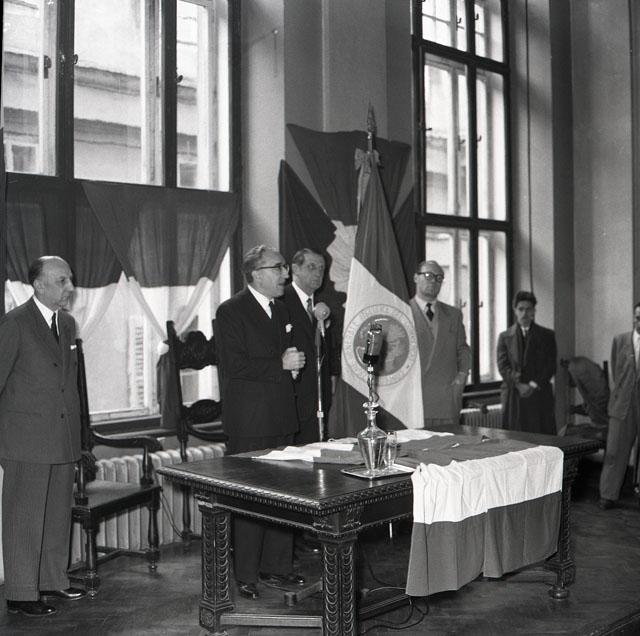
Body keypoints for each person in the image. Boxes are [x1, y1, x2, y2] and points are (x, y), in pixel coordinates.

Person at [215, 245, 306, 600]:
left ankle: (277, 567)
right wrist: (280, 365)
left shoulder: (280, 308)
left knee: (284, 496)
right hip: (250, 421)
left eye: (285, 267)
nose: (286, 273)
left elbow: (280, 358)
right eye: (278, 267)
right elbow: (234, 365)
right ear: (256, 274)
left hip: (281, 415)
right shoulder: (231, 310)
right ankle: (246, 574)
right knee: (251, 499)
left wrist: (291, 369)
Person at [0, 256, 87, 617]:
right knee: (24, 518)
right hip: (25, 439)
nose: (70, 288)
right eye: (62, 281)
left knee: (55, 516)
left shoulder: (66, 323)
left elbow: (70, 383)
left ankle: (53, 580)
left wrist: (80, 440)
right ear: (39, 285)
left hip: (62, 437)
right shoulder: (14, 323)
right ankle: (21, 593)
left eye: (69, 280)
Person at [409, 260, 471, 426]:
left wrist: (462, 377)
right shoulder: (403, 311)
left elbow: (463, 350)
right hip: (413, 400)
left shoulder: (454, 314)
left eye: (439, 277)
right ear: (416, 277)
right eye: (428, 275)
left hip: (446, 399)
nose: (433, 281)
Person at [282, 248, 334, 445]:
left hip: (318, 401)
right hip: (292, 401)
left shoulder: (321, 308)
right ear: (295, 269)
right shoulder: (280, 301)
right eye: (311, 267)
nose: (318, 273)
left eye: (322, 268)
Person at [497, 290, 557, 435]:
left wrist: (532, 385)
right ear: (515, 310)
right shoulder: (505, 337)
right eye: (521, 309)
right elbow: (503, 366)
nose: (524, 313)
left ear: (534, 311)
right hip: (513, 394)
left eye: (528, 309)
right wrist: (518, 385)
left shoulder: (547, 335)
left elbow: (550, 365)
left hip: (539, 394)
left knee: (541, 436)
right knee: (514, 437)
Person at [599, 302, 640, 510]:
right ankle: (608, 494)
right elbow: (616, 371)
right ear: (633, 318)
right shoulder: (620, 340)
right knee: (615, 450)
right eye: (638, 318)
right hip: (623, 402)